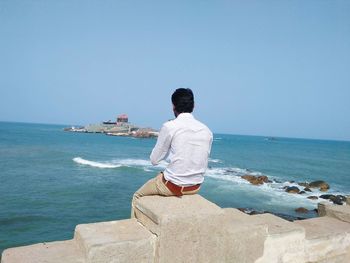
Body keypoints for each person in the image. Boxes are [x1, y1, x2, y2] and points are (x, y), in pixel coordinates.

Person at [131, 88, 213, 218]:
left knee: (137, 196)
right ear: (194, 106)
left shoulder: (170, 126)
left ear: (173, 106)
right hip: (195, 186)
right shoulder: (207, 130)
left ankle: (135, 232)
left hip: (173, 186)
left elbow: (154, 160)